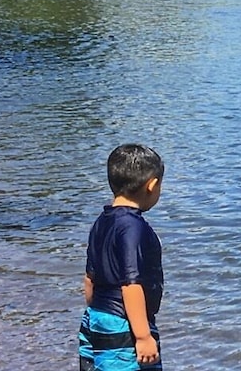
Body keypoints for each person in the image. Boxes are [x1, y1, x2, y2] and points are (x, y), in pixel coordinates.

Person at [79, 144, 168, 370]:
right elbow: (131, 285)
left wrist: (95, 314)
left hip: (96, 318)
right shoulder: (134, 228)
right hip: (124, 326)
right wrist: (143, 337)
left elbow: (90, 278)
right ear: (152, 185)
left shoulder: (102, 221)